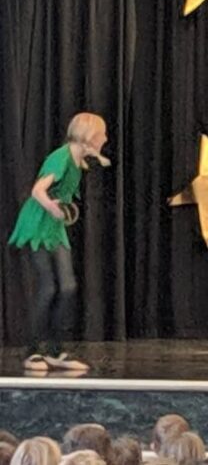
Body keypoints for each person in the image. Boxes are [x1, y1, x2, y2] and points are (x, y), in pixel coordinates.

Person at [8, 112, 110, 372]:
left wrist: (97, 156)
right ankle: (32, 352)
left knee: (67, 286)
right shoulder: (61, 157)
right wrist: (53, 209)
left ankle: (54, 351)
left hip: (54, 227)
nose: (106, 139)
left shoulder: (77, 159)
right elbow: (37, 190)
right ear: (90, 136)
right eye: (102, 135)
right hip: (38, 224)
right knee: (48, 287)